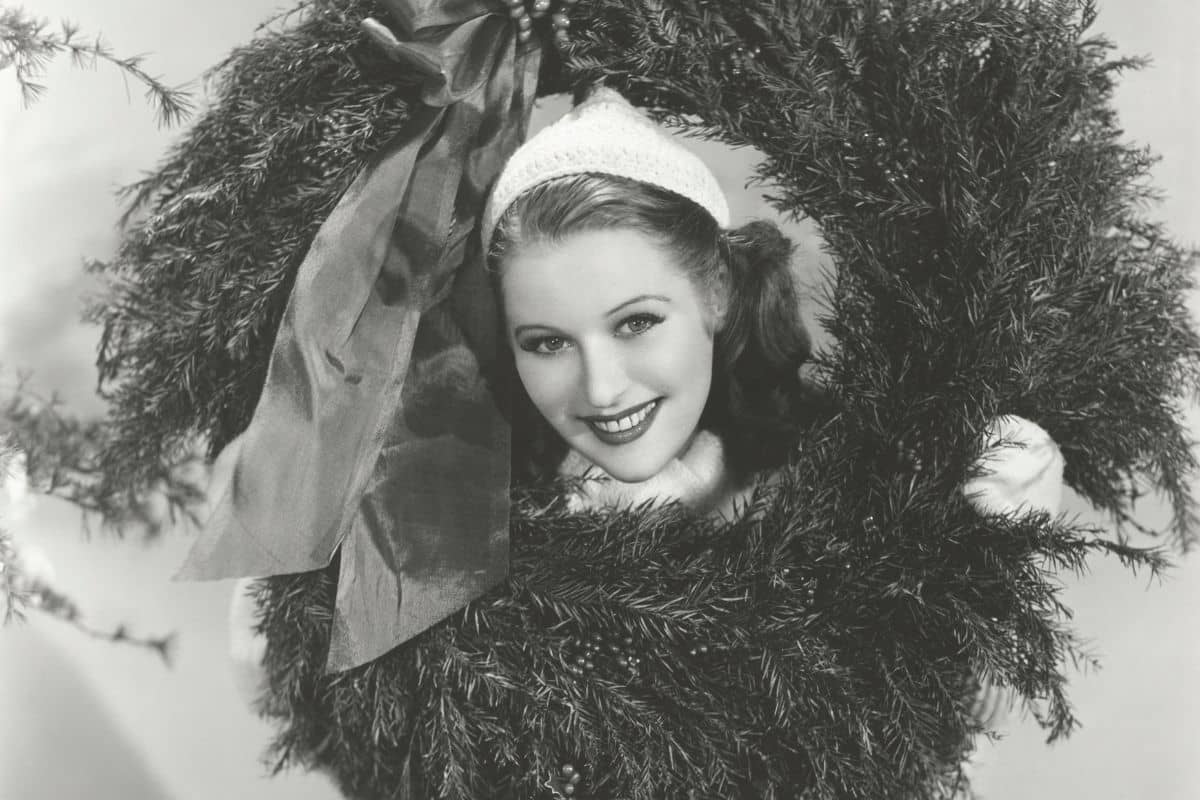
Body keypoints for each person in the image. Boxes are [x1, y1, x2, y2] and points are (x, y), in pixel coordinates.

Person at [228, 87, 1066, 696]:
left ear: (717, 299)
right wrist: (287, 494)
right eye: (548, 342)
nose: (600, 387)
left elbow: (945, 698)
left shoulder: (833, 479)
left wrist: (1010, 509)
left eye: (635, 323)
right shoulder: (466, 521)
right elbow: (294, 693)